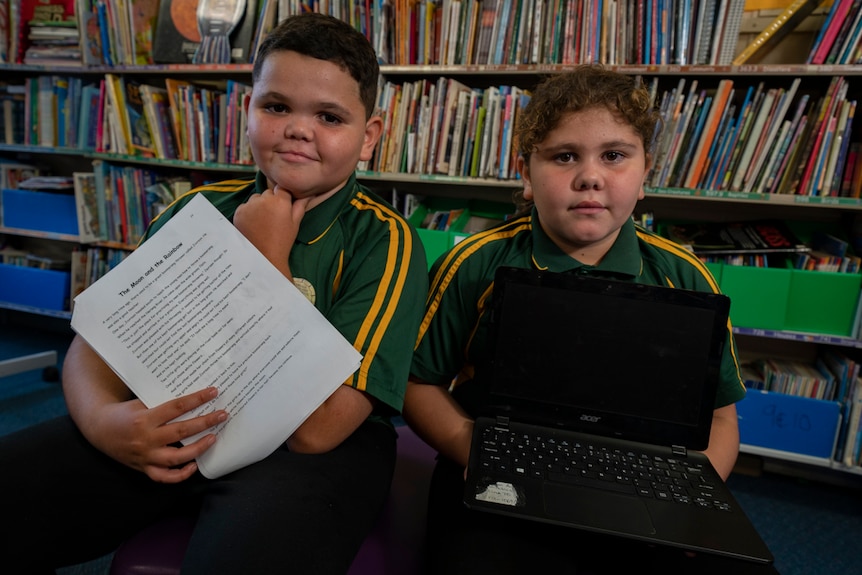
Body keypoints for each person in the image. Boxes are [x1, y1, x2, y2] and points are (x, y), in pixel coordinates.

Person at [0, 13, 427, 575]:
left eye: (329, 116)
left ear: (369, 136)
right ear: (247, 111)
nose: (299, 129)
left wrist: (266, 259)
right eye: (276, 106)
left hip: (313, 455)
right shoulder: (193, 212)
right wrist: (106, 423)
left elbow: (318, 429)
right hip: (183, 422)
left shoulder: (386, 241)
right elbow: (97, 344)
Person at [404, 65, 773, 574]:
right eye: (564, 156)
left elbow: (721, 416)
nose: (590, 176)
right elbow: (416, 380)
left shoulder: (684, 276)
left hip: (641, 479)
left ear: (646, 175)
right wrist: (468, 444)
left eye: (615, 155)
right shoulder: (474, 265)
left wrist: (689, 496)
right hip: (496, 468)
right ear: (526, 175)